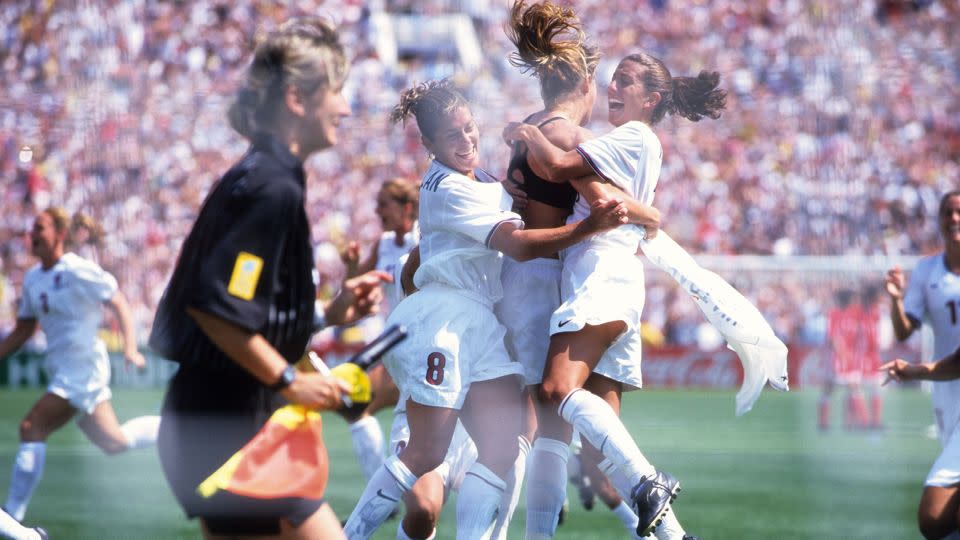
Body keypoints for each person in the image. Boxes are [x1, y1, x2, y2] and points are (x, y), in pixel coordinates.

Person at [343, 78, 627, 540]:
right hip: (446, 322)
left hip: (476, 321)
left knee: (506, 443)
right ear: (430, 144)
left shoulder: (481, 182)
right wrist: (587, 228)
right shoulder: (448, 186)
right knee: (427, 452)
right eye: (452, 135)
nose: (467, 140)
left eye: (470, 128)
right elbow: (515, 245)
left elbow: (416, 264)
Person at [149, 18, 390, 540]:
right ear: (296, 99)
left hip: (225, 424)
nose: (347, 108)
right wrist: (291, 381)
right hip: (227, 429)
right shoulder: (271, 187)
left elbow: (240, 305)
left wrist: (328, 312)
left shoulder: (267, 176)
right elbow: (214, 308)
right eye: (337, 92)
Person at [504, 49, 726, 537]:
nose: (612, 88)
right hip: (619, 279)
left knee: (553, 391)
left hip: (598, 274)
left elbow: (562, 165)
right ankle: (674, 535)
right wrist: (651, 215)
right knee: (587, 431)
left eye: (625, 81)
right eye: (613, 79)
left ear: (652, 98)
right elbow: (617, 199)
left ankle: (648, 480)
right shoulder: (634, 142)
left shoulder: (633, 135)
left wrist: (526, 131)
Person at [0, 208, 159, 524]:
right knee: (114, 442)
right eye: (31, 229)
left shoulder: (77, 270)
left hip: (84, 367)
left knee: (32, 427)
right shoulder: (33, 279)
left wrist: (130, 348)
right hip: (65, 369)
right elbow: (23, 330)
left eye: (40, 228)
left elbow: (118, 302)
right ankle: (171, 428)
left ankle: (12, 521)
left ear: (59, 233)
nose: (33, 235)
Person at [883, 189, 960, 539]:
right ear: (939, 220)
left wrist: (915, 370)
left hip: (945, 372)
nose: (954, 218)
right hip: (945, 390)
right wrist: (896, 301)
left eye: (959, 211)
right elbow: (903, 330)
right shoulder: (928, 270)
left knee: (933, 517)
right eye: (948, 212)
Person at [338, 178, 418, 484]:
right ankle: (387, 494)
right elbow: (357, 287)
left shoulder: (426, 239)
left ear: (406, 207)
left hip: (421, 342)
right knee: (357, 406)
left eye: (384, 203)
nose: (377, 210)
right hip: (396, 342)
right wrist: (352, 265)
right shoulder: (384, 243)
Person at [819, 288, 870, 431]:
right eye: (854, 299)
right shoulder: (835, 315)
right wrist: (843, 354)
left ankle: (852, 422)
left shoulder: (856, 315)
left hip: (849, 359)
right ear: (848, 300)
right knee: (838, 389)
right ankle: (863, 422)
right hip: (839, 360)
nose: (857, 301)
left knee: (848, 389)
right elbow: (833, 338)